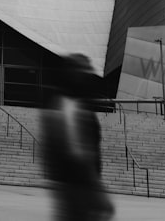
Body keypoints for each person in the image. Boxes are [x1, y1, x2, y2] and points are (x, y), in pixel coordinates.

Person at [42, 55, 114, 221]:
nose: (89, 74)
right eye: (85, 70)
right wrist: (98, 189)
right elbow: (80, 153)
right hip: (79, 186)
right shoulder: (70, 107)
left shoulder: (61, 104)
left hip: (72, 185)